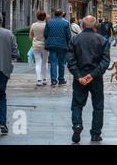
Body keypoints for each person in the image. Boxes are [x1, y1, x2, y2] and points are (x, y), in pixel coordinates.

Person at [67, 15, 110, 143]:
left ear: (82, 25)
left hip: (80, 77)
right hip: (96, 78)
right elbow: (105, 61)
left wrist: (79, 76)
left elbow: (70, 60)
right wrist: (93, 75)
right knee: (98, 106)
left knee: (77, 104)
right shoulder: (102, 40)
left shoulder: (75, 39)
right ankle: (96, 134)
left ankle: (77, 125)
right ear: (95, 26)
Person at [44, 9, 71, 86]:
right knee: (62, 63)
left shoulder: (49, 22)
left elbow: (45, 34)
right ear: (61, 15)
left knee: (53, 62)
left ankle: (53, 80)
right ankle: (61, 79)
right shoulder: (65, 23)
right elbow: (69, 35)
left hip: (52, 45)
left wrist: (49, 40)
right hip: (62, 45)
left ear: (54, 14)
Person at [29, 11, 49, 86]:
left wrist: (34, 40)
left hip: (36, 45)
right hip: (45, 46)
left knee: (38, 62)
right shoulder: (47, 25)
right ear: (44, 17)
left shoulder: (33, 25)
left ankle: (38, 80)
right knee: (45, 62)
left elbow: (30, 36)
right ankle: (44, 79)